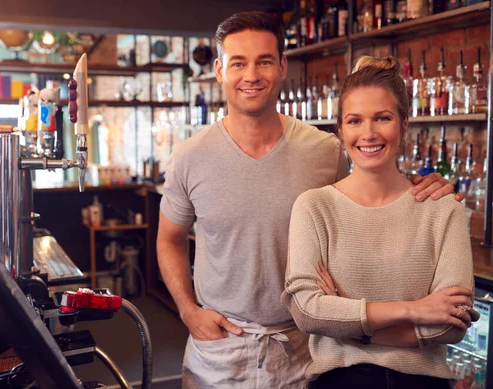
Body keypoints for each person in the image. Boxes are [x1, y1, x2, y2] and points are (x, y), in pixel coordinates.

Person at [157, 12, 458, 389]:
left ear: (282, 67)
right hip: (220, 348)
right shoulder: (190, 155)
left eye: (264, 61)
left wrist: (424, 185)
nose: (252, 75)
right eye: (238, 63)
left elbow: (372, 187)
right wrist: (188, 311)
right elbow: (169, 238)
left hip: (307, 350)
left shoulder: (325, 150)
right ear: (219, 70)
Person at [281, 56, 478, 389]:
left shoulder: (442, 208)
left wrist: (352, 329)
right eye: (355, 121)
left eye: (382, 118)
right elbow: (308, 311)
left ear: (404, 125)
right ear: (340, 131)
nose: (368, 133)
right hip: (340, 382)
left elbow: (452, 323)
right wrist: (415, 310)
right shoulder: (314, 207)